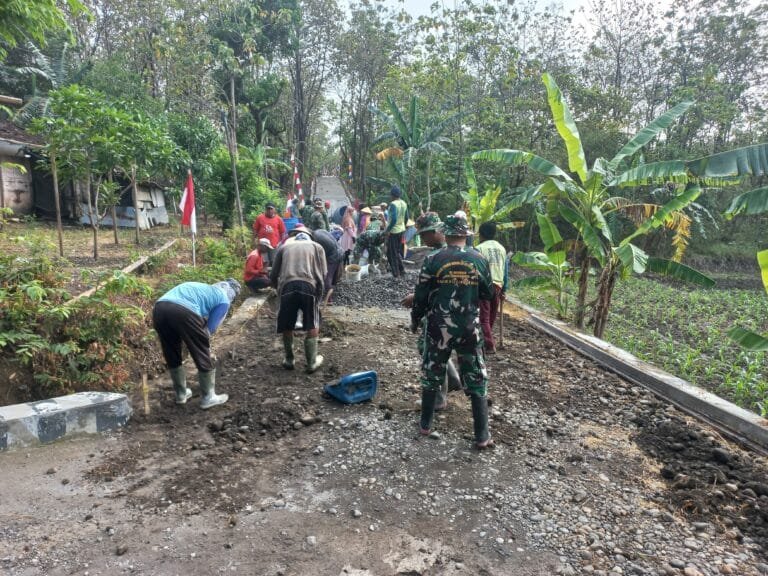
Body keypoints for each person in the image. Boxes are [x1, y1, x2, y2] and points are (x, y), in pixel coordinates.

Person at [410, 215, 494, 449]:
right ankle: (482, 435)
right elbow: (488, 293)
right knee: (476, 376)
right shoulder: (479, 259)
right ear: (466, 234)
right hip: (469, 327)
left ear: (445, 234)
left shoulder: (434, 259)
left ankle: (426, 425)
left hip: (439, 327)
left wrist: (416, 318)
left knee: (431, 373)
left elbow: (421, 296)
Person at [400, 212, 463, 410]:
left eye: (425, 234)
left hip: (440, 311)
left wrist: (415, 313)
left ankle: (438, 398)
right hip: (459, 310)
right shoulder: (459, 251)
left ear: (437, 231)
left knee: (430, 350)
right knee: (440, 348)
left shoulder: (439, 255)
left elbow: (428, 288)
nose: (424, 239)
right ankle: (452, 379)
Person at [152, 279, 240, 409]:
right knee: (201, 350)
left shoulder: (203, 289)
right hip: (184, 310)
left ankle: (181, 394)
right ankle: (209, 397)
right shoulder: (224, 300)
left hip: (159, 308)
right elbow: (210, 329)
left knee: (171, 349)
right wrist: (201, 344)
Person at [270, 229, 327, 373]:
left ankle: (289, 360)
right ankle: (311, 363)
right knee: (313, 322)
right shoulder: (316, 246)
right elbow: (324, 272)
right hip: (308, 285)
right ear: (309, 238)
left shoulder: (284, 247)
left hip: (288, 286)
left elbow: (273, 274)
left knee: (287, 324)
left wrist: (278, 289)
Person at [475, 221, 507, 353]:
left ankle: (489, 344)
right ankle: (486, 338)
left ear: (481, 234)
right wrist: (504, 289)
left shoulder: (479, 248)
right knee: (491, 315)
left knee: (484, 317)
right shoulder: (502, 248)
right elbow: (505, 270)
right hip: (498, 284)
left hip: (484, 285)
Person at [312, 227, 344, 302]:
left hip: (334, 255)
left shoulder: (314, 239)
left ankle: (329, 299)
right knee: (334, 276)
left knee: (327, 277)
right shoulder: (319, 231)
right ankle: (332, 290)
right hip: (340, 251)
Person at [384, 185, 409, 277]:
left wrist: (388, 230)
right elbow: (407, 217)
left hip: (394, 232)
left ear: (392, 195)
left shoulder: (393, 204)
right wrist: (403, 226)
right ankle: (402, 270)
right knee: (397, 251)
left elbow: (393, 219)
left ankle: (396, 273)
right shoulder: (404, 203)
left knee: (391, 253)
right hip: (401, 230)